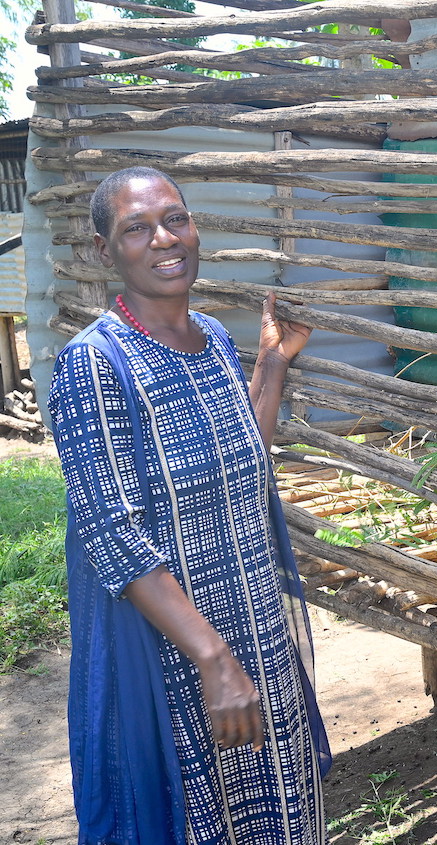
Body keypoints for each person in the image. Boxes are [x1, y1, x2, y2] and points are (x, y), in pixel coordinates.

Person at [48, 166, 330, 844]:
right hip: (176, 660)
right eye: (136, 228)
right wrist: (213, 659)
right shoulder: (95, 365)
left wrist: (270, 367)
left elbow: (241, 465)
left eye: (175, 218)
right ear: (103, 251)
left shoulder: (208, 338)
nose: (164, 238)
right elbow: (114, 536)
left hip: (256, 634)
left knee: (281, 822)